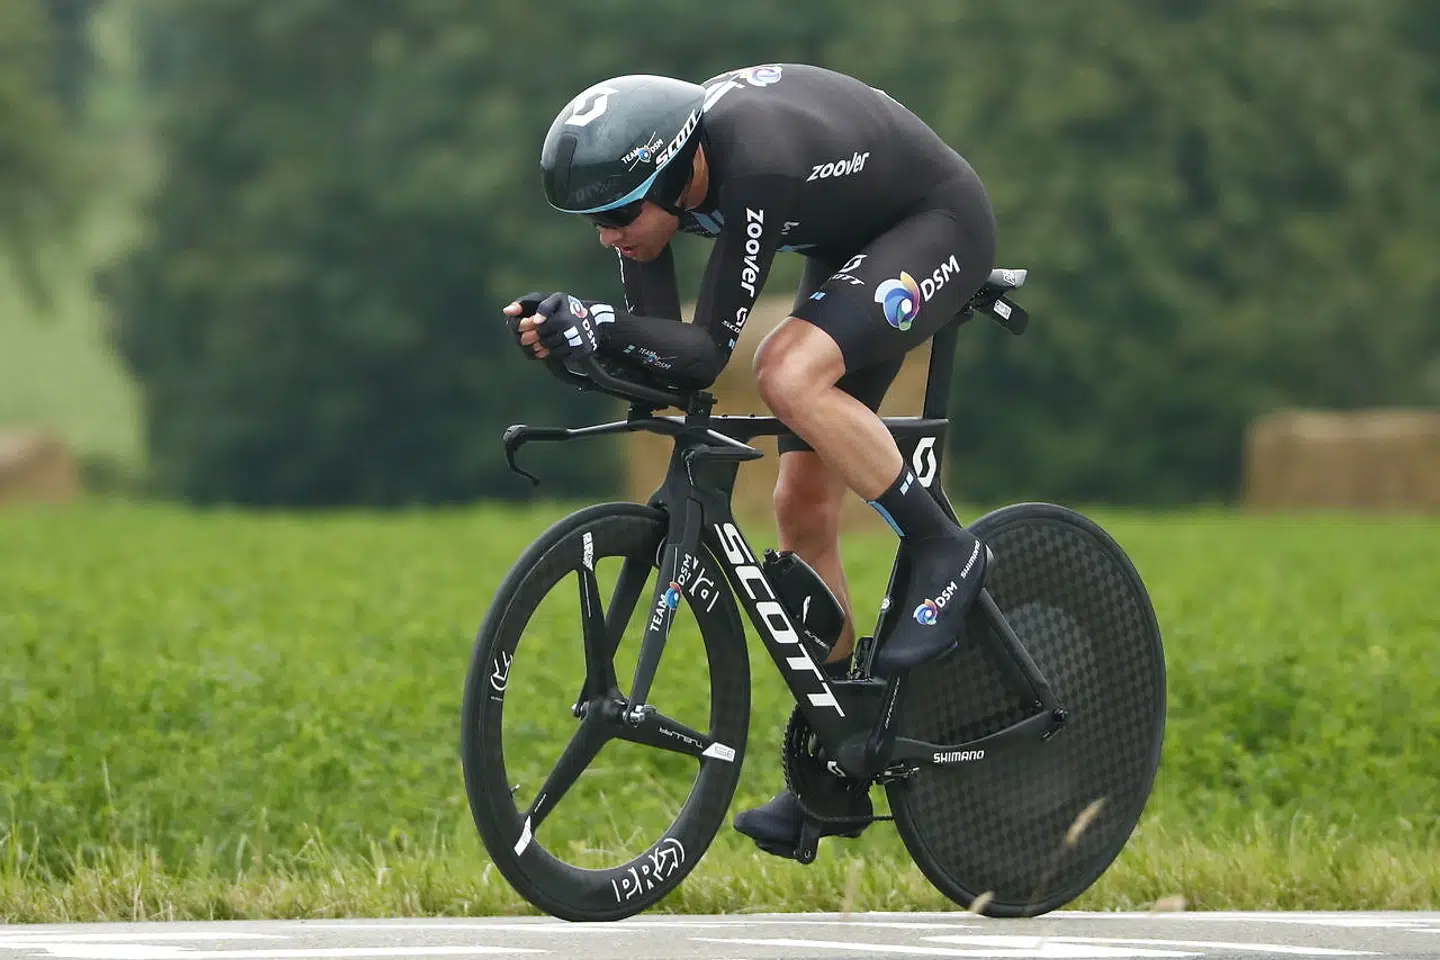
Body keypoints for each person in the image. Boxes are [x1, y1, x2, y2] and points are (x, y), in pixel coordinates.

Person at [504, 64, 996, 857]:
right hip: (850, 243)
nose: (608, 235)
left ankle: (944, 545)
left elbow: (704, 352)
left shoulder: (755, 162)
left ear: (676, 173)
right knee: (800, 508)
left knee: (785, 370)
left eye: (620, 213)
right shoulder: (658, 192)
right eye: (595, 220)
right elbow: (664, 361)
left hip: (935, 221)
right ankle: (838, 762)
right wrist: (572, 344)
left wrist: (601, 323)